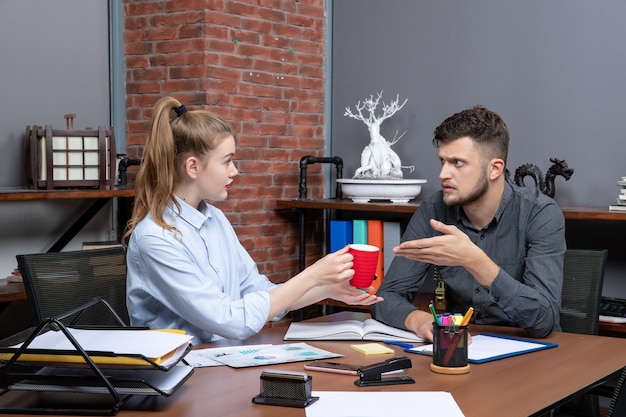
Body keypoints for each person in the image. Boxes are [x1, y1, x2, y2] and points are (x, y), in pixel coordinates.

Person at [124, 96, 382, 344]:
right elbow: (230, 321)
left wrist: (327, 290)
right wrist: (313, 276)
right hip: (181, 375)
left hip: (221, 364)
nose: (234, 171)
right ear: (192, 167)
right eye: (227, 161)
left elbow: (259, 293)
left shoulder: (216, 219)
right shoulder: (155, 238)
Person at [371, 105, 565, 341]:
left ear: (494, 169)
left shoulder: (540, 213)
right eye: (442, 161)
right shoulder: (434, 210)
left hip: (532, 354)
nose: (443, 173)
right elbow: (386, 297)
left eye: (457, 163)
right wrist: (418, 320)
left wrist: (474, 260)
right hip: (461, 349)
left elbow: (543, 320)